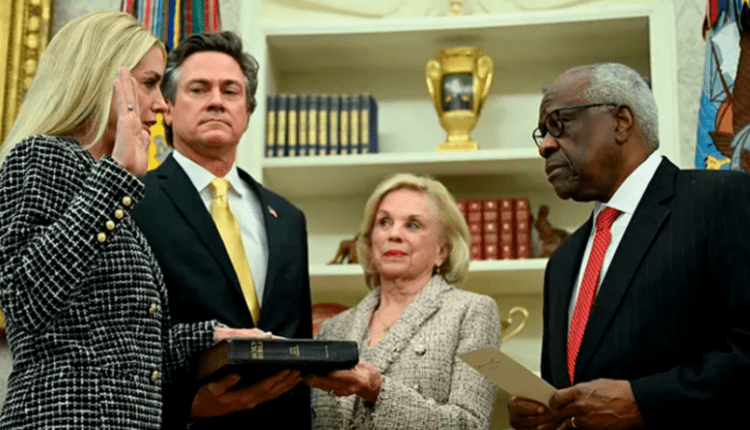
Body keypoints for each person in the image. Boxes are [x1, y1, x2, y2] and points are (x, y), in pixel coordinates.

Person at [0, 11, 264, 429]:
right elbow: (26, 300)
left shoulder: (108, 184)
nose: (161, 104)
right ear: (101, 81)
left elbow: (123, 349)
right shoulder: (43, 157)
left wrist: (212, 336)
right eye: (149, 83)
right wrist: (117, 176)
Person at [509, 63, 750, 430]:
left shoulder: (721, 200)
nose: (545, 146)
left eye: (558, 123)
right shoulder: (562, 262)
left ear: (621, 121)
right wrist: (546, 414)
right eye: (542, 132)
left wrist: (645, 403)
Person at [131, 31, 312, 429]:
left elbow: (298, 347)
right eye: (199, 89)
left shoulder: (288, 218)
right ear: (167, 108)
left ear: (247, 112)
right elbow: (122, 345)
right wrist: (187, 407)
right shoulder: (134, 202)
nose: (216, 101)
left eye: (230, 91)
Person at [305, 173, 500, 429]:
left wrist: (378, 390)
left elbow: (471, 425)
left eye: (413, 225)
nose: (394, 234)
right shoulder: (333, 328)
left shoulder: (475, 313)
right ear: (370, 242)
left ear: (442, 250)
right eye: (384, 222)